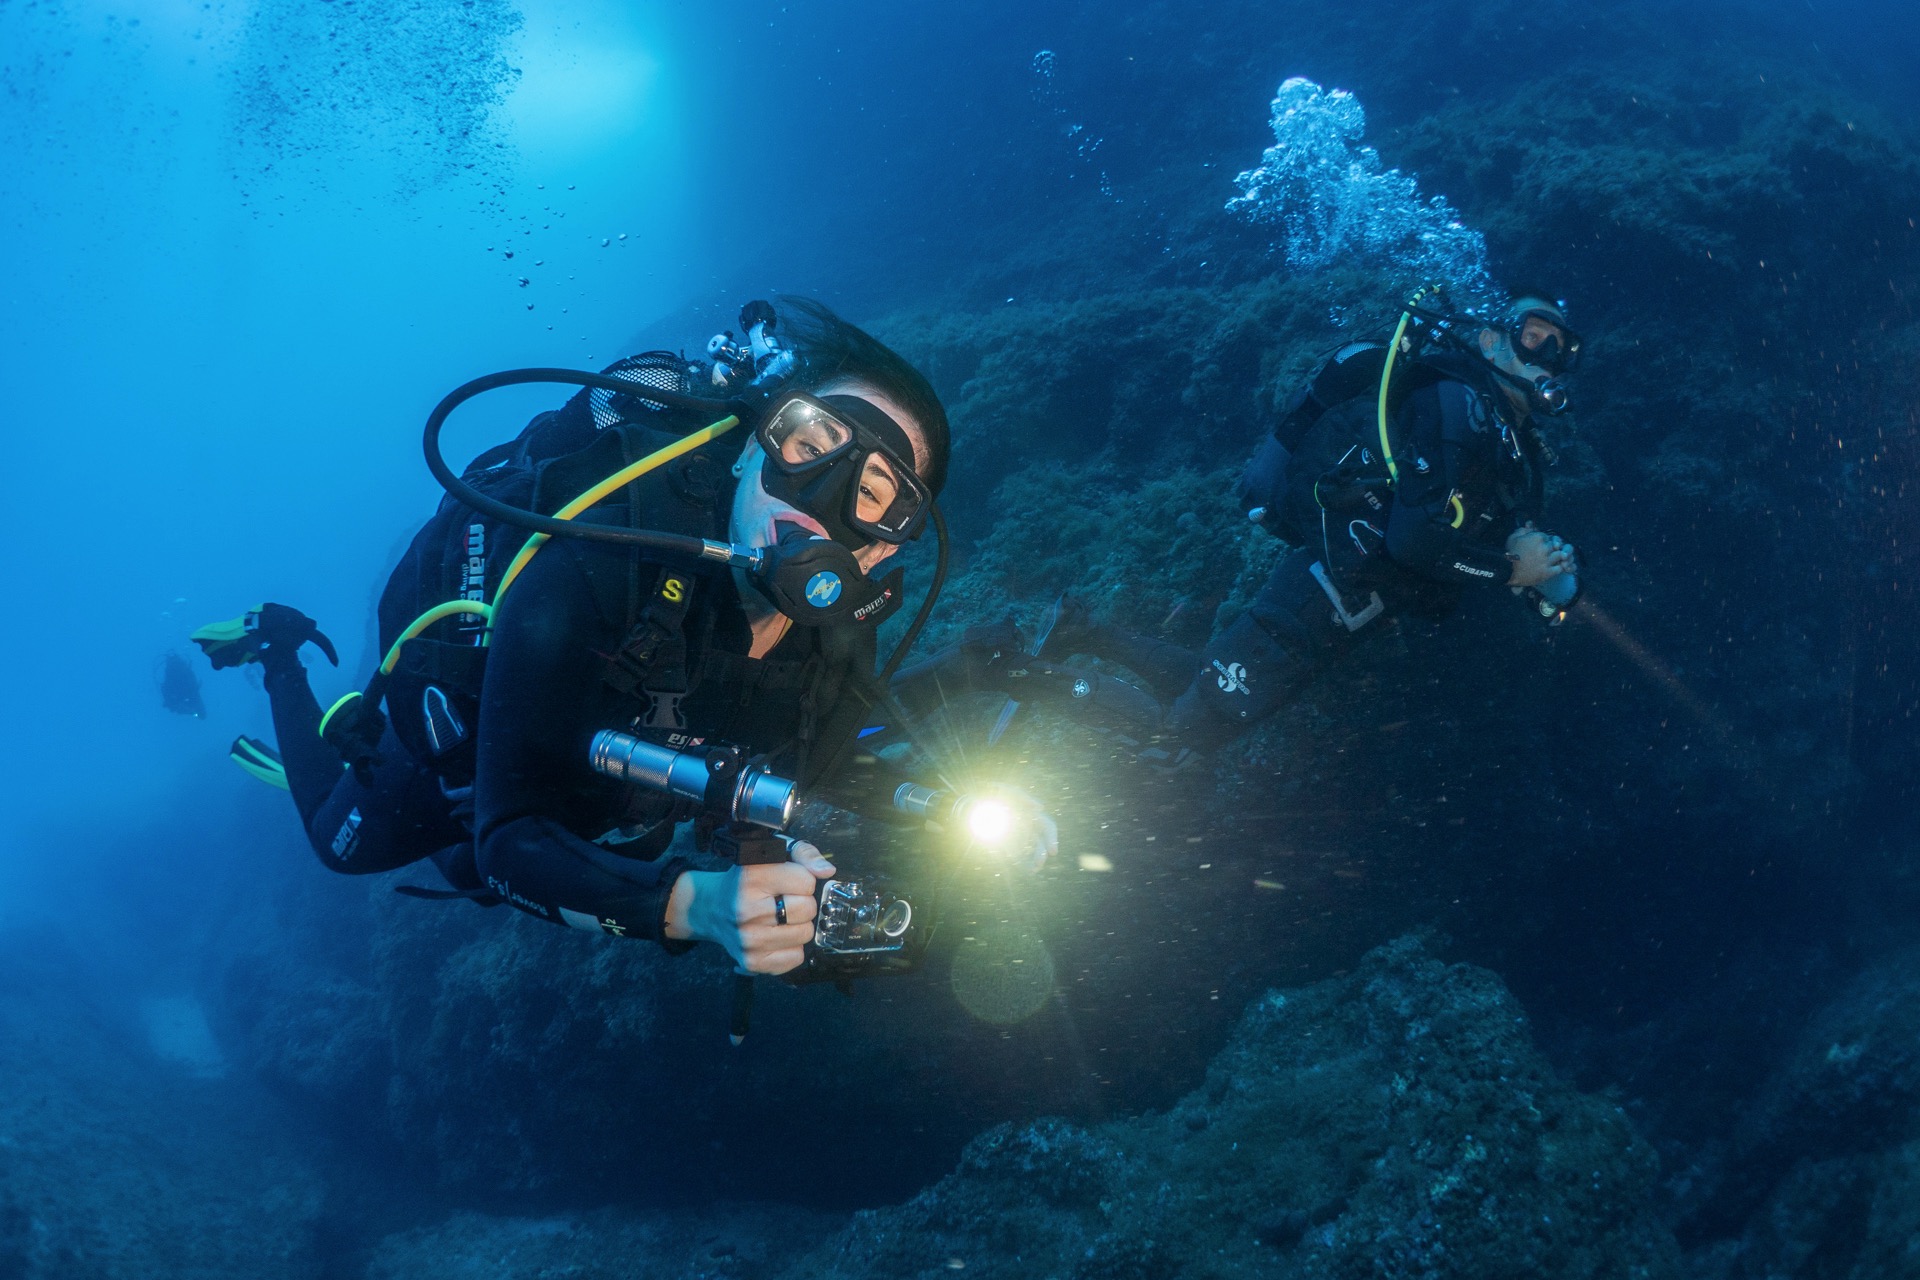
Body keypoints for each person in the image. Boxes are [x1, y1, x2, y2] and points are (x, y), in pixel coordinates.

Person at [195, 301, 1036, 979]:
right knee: (354, 846)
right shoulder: (605, 561)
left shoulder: (837, 639)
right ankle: (279, 657)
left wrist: (943, 810)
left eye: (876, 494)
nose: (819, 493)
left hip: (609, 799)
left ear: (887, 548)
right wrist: (694, 907)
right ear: (749, 447)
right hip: (472, 729)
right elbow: (509, 838)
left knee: (504, 863)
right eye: (808, 442)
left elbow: (824, 766)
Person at [982, 291, 1585, 757]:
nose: (1548, 358)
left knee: (1207, 681)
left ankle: (1083, 629)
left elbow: (1479, 537)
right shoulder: (1462, 407)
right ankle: (1008, 669)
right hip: (1320, 600)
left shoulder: (1506, 447)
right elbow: (1414, 539)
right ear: (1487, 340)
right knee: (1178, 738)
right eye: (1534, 337)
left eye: (1562, 349)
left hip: (1331, 597)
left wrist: (1538, 572)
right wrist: (1510, 570)